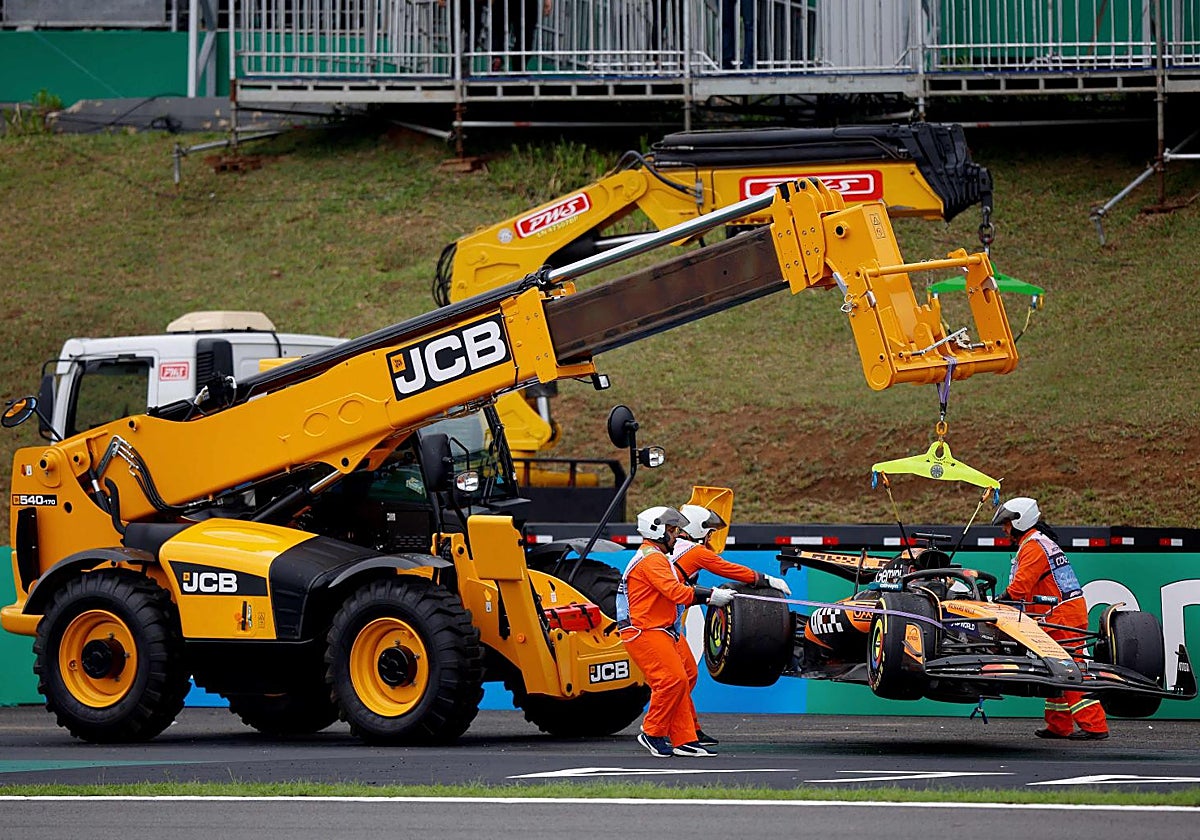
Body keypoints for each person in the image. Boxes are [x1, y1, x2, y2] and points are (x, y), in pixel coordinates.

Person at [617, 505, 736, 757]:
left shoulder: (656, 557)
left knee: (683, 677)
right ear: (657, 531)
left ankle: (684, 739)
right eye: (672, 530)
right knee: (671, 680)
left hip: (660, 629)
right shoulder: (652, 559)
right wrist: (711, 596)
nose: (677, 535)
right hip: (645, 631)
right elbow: (675, 592)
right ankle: (652, 732)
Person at [671, 503, 791, 747]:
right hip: (659, 625)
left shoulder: (677, 547)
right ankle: (662, 729)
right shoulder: (693, 551)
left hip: (669, 625)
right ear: (697, 529)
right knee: (676, 680)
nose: (710, 537)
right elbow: (727, 569)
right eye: (708, 531)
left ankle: (688, 730)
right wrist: (765, 579)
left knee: (687, 675)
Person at [993, 496, 1110, 741]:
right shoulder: (1034, 542)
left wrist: (998, 602)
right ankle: (1059, 725)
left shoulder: (1034, 546)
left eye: (1006, 523)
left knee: (1070, 670)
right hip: (1060, 614)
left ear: (1020, 521)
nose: (1005, 529)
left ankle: (1095, 725)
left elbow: (1020, 588)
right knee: (1055, 669)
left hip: (1062, 617)